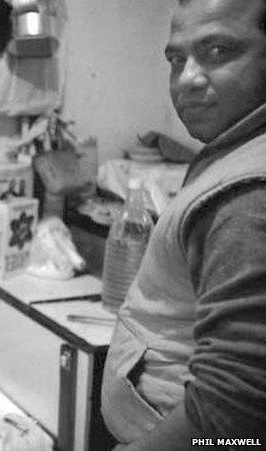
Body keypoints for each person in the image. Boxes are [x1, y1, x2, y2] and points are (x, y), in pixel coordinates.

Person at [101, 0, 266, 449]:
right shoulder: (234, 150)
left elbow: (232, 406)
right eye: (177, 59)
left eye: (218, 51)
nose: (187, 80)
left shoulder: (247, 193)